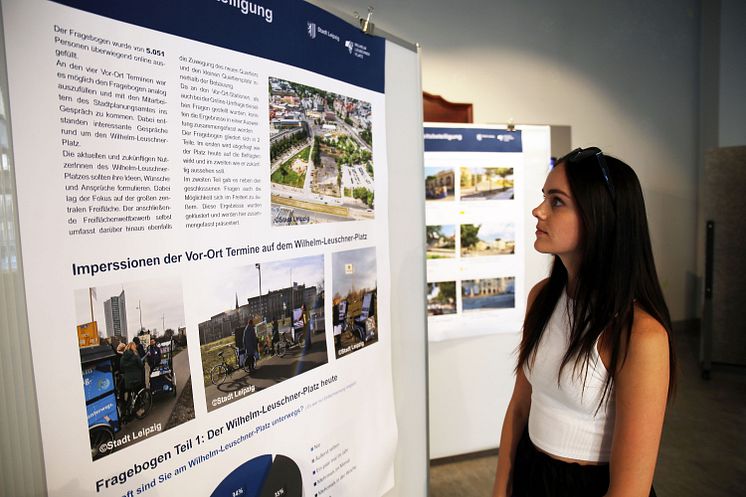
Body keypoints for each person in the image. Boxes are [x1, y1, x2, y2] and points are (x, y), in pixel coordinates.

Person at [492, 148, 676, 497]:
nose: (538, 210)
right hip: (532, 473)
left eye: (557, 202)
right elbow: (519, 406)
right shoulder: (542, 297)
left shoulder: (640, 335)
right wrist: (501, 487)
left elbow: (629, 490)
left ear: (600, 218)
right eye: (544, 197)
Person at [119, 342, 145, 418]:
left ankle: (127, 409)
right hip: (136, 379)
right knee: (137, 393)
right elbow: (140, 365)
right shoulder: (135, 355)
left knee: (130, 393)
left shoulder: (123, 357)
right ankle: (139, 410)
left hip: (127, 380)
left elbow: (121, 368)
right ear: (133, 347)